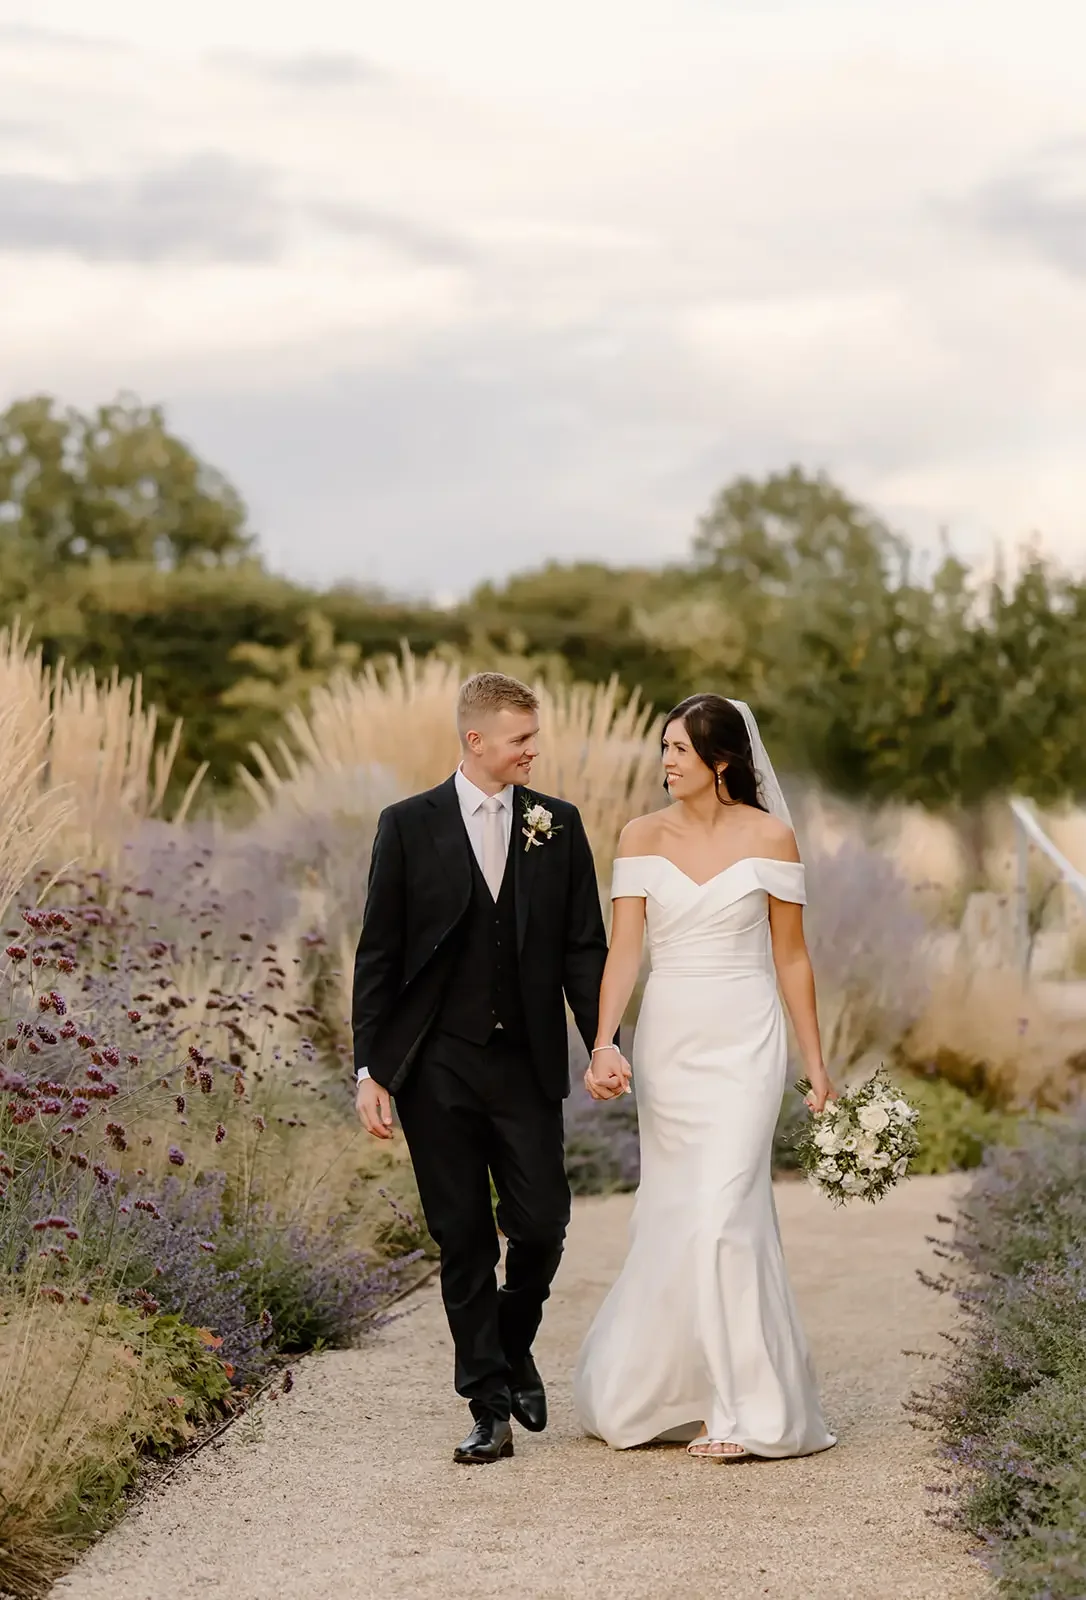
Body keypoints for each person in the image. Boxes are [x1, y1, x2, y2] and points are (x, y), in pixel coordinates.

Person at [573, 693, 838, 1462]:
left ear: (721, 761)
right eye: (664, 748)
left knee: (728, 1213)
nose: (665, 762)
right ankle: (664, 1390)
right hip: (671, 1043)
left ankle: (744, 1407)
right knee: (678, 1210)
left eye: (680, 750)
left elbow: (792, 956)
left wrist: (816, 1065)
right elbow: (624, 950)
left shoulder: (772, 838)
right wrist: (602, 1043)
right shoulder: (638, 836)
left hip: (747, 1038)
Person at [352, 672, 608, 1464]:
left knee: (542, 1224)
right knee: (461, 1235)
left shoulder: (557, 826)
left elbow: (582, 948)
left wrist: (603, 1040)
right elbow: (380, 955)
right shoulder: (407, 825)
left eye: (534, 737)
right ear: (477, 741)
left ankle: (509, 1334)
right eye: (521, 739)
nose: (534, 750)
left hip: (525, 1062)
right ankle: (487, 1404)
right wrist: (371, 1069)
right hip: (436, 1067)